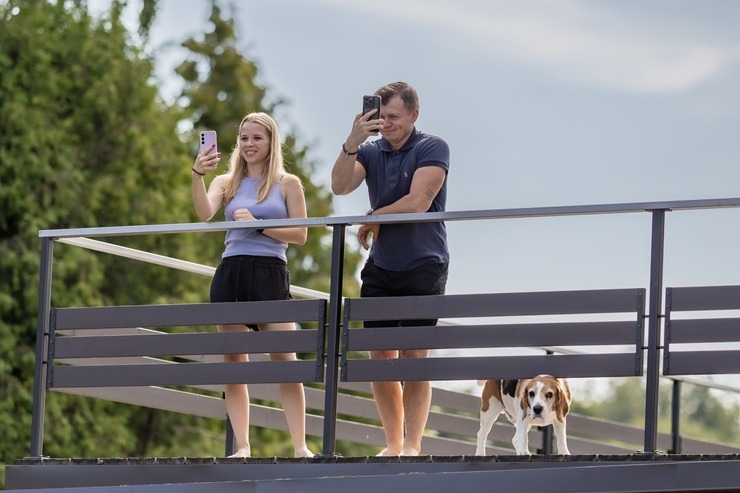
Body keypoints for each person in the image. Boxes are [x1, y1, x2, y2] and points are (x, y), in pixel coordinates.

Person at [331, 81, 450, 456]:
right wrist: (352, 141)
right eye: (381, 117)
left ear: (414, 114)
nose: (386, 124)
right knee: (379, 356)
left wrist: (373, 217)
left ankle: (413, 445)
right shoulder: (370, 149)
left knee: (415, 356)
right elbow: (339, 186)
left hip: (424, 263)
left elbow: (418, 202)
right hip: (381, 266)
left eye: (394, 116)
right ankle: (394, 444)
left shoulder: (433, 146)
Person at [191, 112, 314, 458]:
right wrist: (198, 174)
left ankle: (300, 447)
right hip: (231, 272)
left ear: (271, 141)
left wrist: (259, 225)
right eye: (244, 138)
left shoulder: (288, 183)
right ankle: (242, 447)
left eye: (257, 138)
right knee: (234, 362)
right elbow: (203, 213)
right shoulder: (226, 182)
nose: (249, 144)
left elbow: (301, 234)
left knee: (286, 361)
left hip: (270, 272)